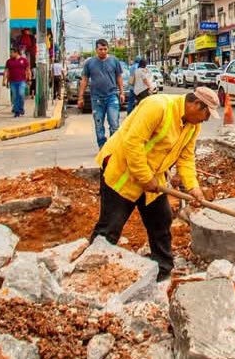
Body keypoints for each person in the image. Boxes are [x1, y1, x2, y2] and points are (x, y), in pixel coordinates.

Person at [92, 87, 218, 281]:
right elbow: (132, 143)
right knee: (110, 226)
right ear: (195, 104)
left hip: (153, 177)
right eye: (206, 113)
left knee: (161, 221)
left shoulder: (193, 125)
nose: (206, 119)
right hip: (123, 174)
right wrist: (144, 177)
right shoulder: (157, 106)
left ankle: (162, 270)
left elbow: (186, 158)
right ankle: (92, 270)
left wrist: (194, 188)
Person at [78, 39, 126, 148]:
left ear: (108, 49)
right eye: (100, 49)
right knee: (99, 125)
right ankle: (102, 148)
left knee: (114, 124)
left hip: (112, 96)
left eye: (105, 49)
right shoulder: (89, 63)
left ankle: (113, 148)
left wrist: (122, 93)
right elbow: (84, 80)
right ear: (96, 50)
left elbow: (119, 77)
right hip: (96, 98)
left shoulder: (114, 61)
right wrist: (80, 97)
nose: (103, 51)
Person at [2, 47, 31, 117]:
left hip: (22, 81)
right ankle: (17, 111)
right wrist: (4, 80)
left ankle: (21, 108)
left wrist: (29, 79)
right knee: (15, 96)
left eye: (12, 53)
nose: (10, 54)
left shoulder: (24, 60)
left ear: (16, 53)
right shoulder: (9, 61)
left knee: (21, 94)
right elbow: (6, 71)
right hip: (12, 82)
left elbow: (28, 70)